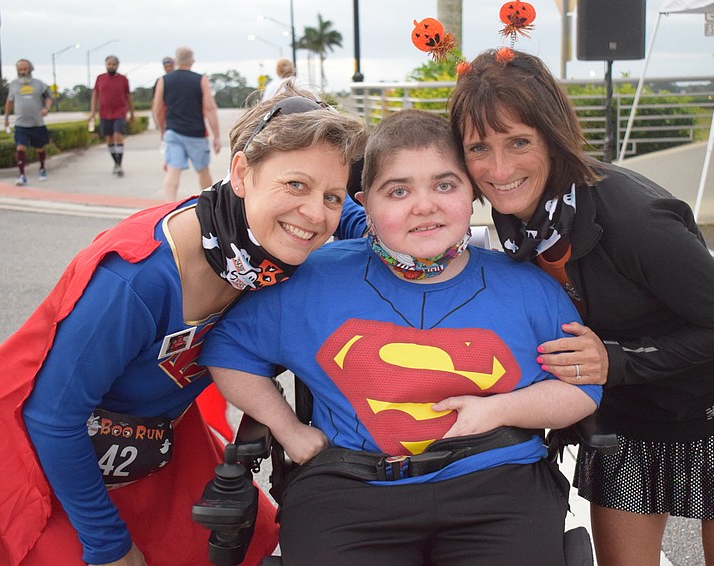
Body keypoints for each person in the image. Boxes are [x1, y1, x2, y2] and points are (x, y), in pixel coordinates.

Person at [0, 88, 367, 566]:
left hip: (149, 448)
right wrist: (107, 544)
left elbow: (351, 216)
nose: (314, 213)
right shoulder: (137, 278)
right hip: (33, 456)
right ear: (241, 173)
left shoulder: (256, 240)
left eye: (330, 195)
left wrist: (407, 224)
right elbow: (53, 418)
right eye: (295, 186)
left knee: (250, 542)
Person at [200, 108, 601, 565]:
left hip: (497, 482)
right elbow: (229, 349)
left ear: (472, 193)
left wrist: (499, 410)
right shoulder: (310, 282)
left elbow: (582, 388)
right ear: (364, 204)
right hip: (351, 488)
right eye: (398, 191)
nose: (424, 205)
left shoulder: (528, 287)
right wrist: (289, 430)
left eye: (445, 185)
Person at [447, 48, 714, 566]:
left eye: (519, 141)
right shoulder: (520, 211)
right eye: (479, 148)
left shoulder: (636, 219)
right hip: (627, 415)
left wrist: (618, 360)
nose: (499, 169)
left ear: (553, 134)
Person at [152, 46, 221, 202]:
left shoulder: (164, 80)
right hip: (196, 133)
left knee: (173, 170)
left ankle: (169, 205)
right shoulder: (201, 80)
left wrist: (163, 129)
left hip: (173, 132)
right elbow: (210, 108)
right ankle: (207, 204)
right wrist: (216, 136)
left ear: (176, 61)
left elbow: (157, 109)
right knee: (203, 170)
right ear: (192, 61)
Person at [3, 59, 53, 186]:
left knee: (40, 148)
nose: (23, 72)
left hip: (37, 123)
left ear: (30, 69)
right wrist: (6, 118)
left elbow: (48, 97)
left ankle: (42, 168)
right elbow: (9, 102)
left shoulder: (38, 84)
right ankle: (22, 175)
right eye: (20, 70)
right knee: (20, 147)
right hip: (21, 123)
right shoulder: (13, 85)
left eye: (25, 69)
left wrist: (46, 109)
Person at [89, 55, 136, 177]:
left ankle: (119, 164)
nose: (111, 66)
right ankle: (115, 163)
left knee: (118, 137)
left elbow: (128, 97)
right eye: (109, 64)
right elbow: (95, 95)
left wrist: (132, 113)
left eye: (113, 64)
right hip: (105, 114)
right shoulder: (100, 78)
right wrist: (92, 112)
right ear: (106, 65)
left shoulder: (123, 79)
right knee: (109, 139)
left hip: (119, 113)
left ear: (117, 65)